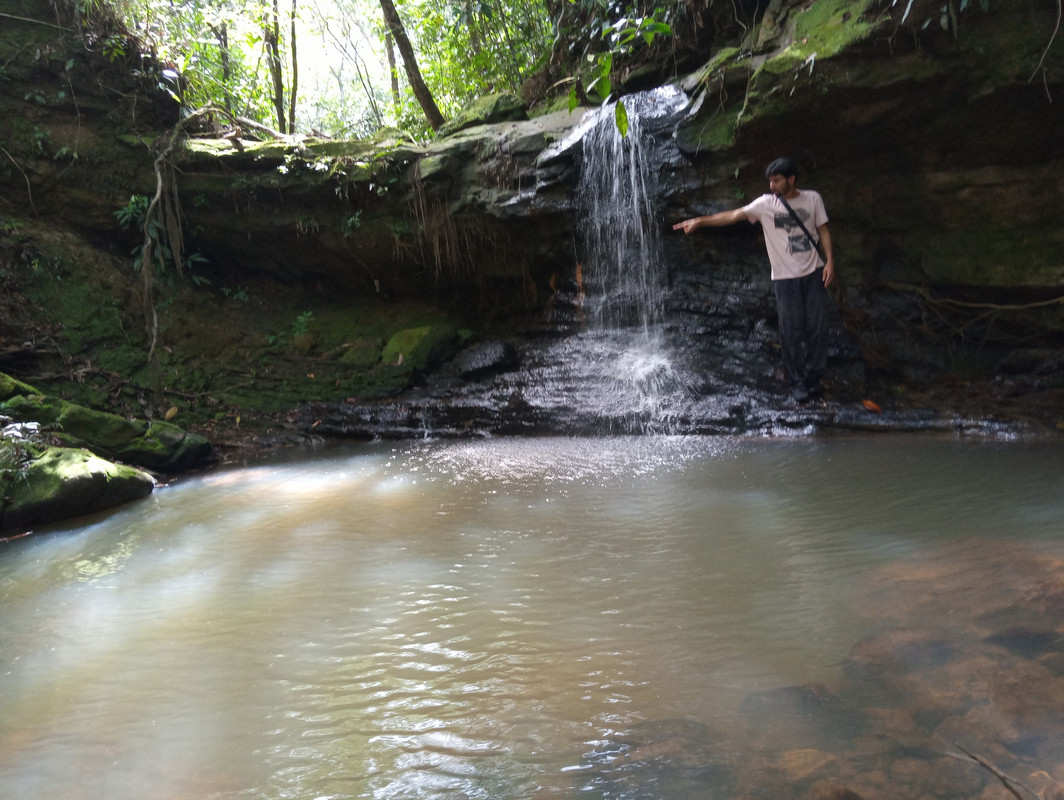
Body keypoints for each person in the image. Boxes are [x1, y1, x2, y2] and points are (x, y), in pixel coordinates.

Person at [672, 157, 835, 403]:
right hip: (784, 278)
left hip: (813, 274)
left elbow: (822, 229)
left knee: (818, 329)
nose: (772, 186)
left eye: (777, 180)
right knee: (791, 330)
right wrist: (700, 221)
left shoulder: (812, 198)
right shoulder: (765, 204)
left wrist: (830, 261)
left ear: (791, 179)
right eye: (770, 181)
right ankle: (797, 382)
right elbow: (734, 215)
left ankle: (814, 379)